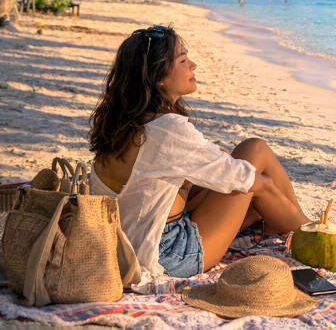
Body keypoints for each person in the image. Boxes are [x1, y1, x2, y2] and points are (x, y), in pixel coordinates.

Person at [88, 25, 311, 279]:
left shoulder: (123, 120)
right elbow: (248, 181)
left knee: (244, 167)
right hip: (167, 255)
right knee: (256, 155)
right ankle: (311, 233)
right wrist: (266, 187)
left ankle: (286, 223)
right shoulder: (167, 128)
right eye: (183, 60)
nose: (193, 65)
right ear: (158, 76)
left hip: (129, 241)